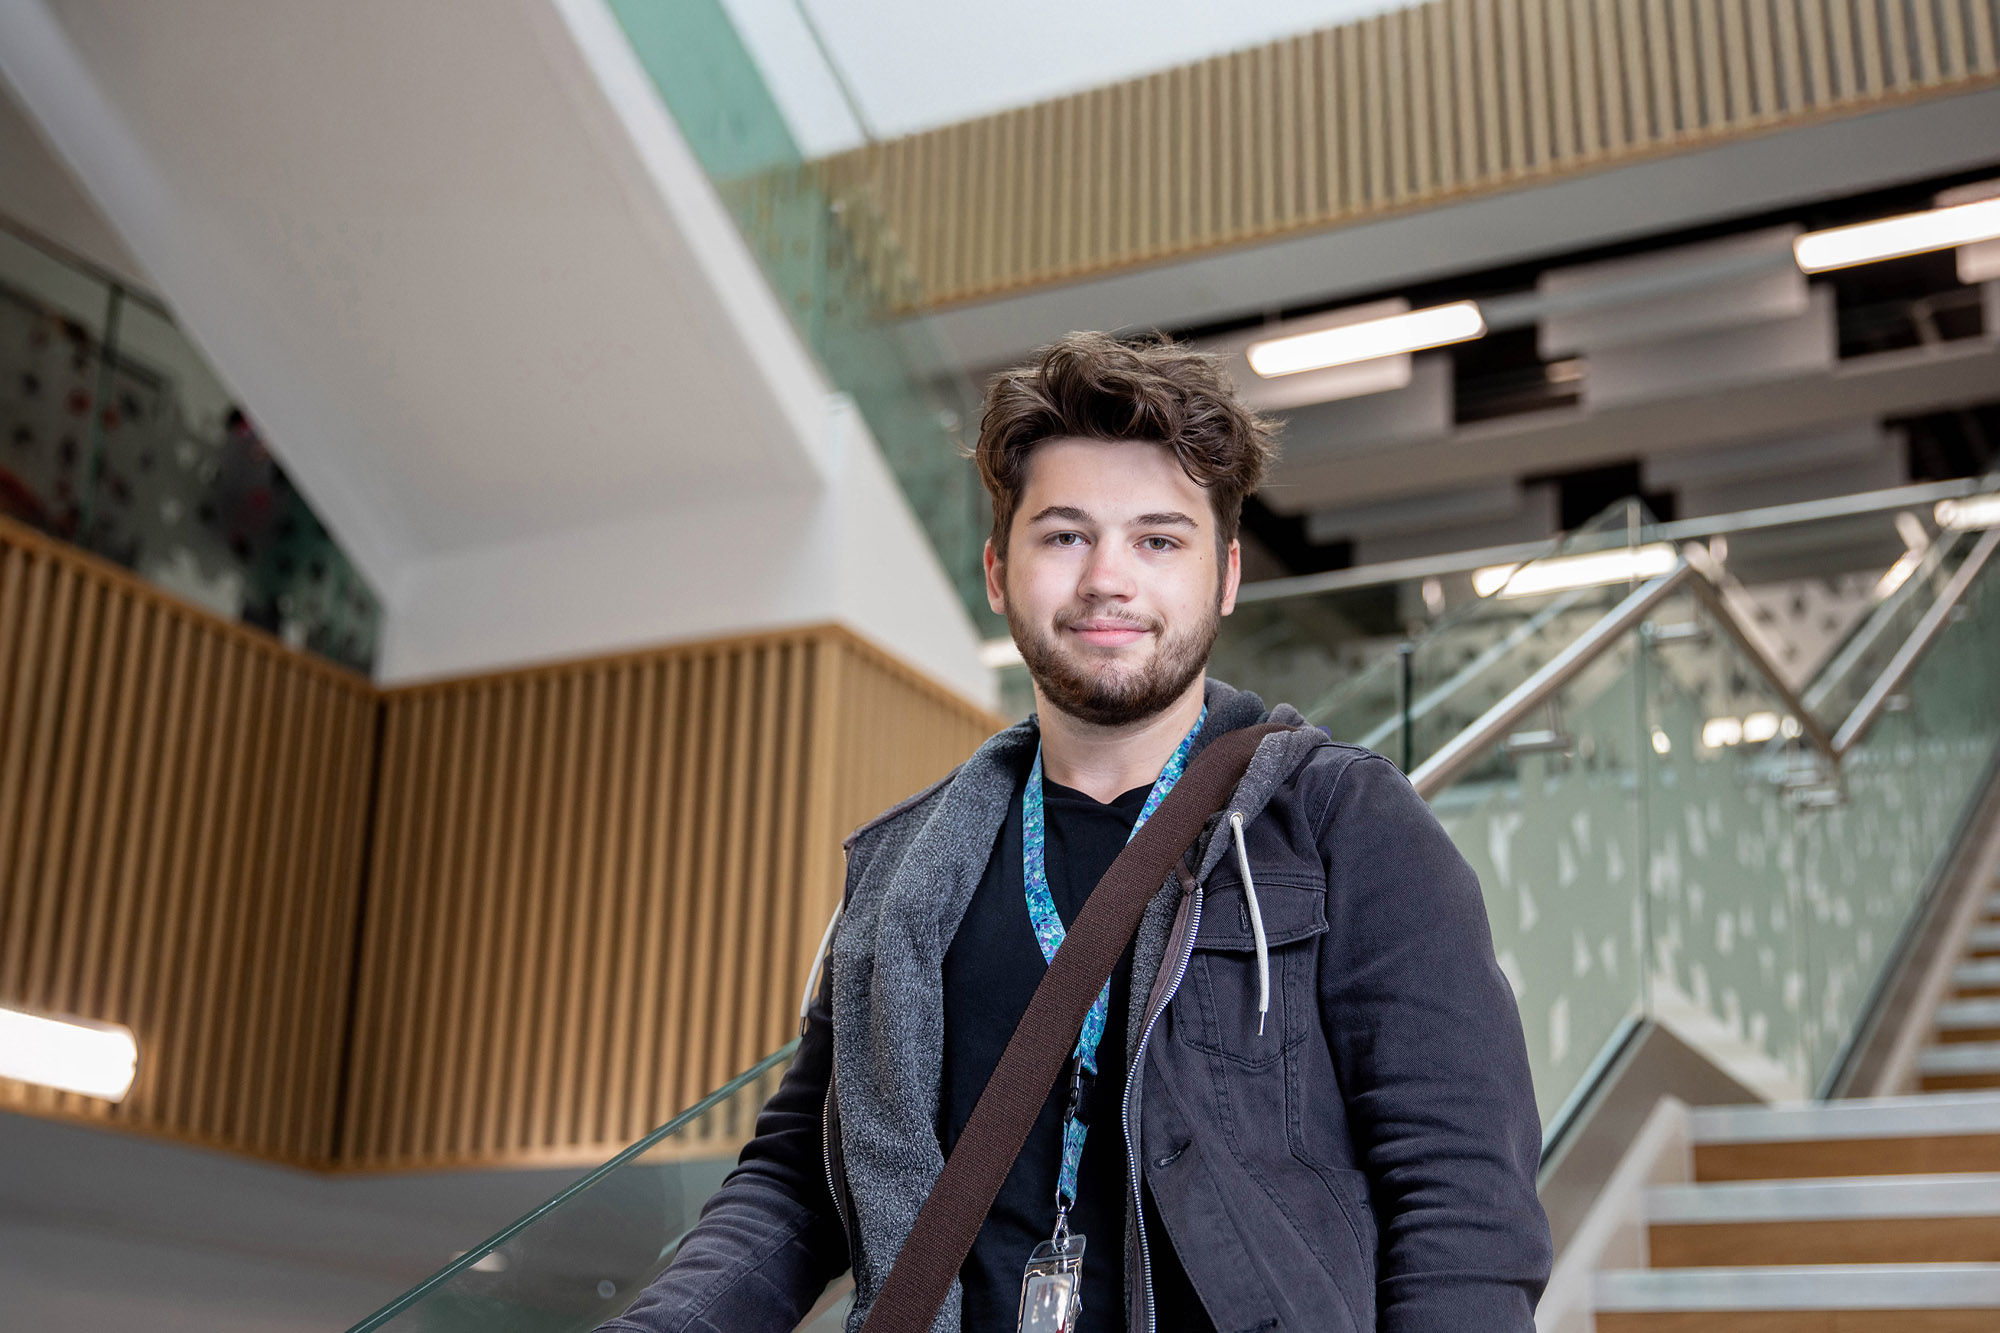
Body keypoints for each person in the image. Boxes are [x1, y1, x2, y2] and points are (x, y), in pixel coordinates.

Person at [603, 333, 1551, 1333]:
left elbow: (1462, 1200)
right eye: (1063, 536)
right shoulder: (903, 871)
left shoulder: (1345, 827)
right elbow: (797, 1186)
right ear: (997, 572)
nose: (1107, 578)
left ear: (1223, 575)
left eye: (1157, 539)